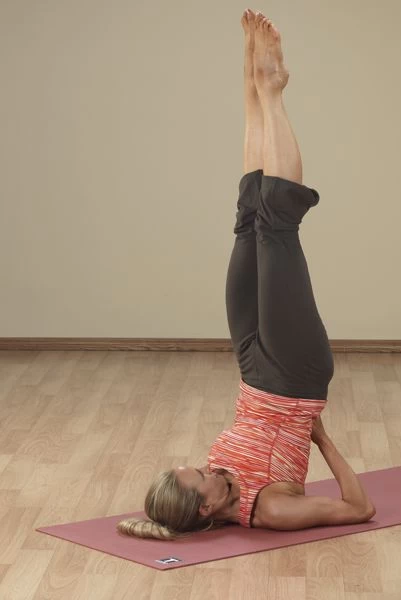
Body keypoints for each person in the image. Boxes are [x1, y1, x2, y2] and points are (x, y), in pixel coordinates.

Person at [117, 9, 376, 540]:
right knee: (277, 227)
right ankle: (274, 93)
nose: (207, 466)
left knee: (248, 218)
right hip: (296, 375)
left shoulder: (216, 481)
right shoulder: (269, 510)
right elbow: (359, 508)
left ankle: (254, 81)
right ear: (208, 509)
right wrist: (322, 439)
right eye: (201, 476)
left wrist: (246, 70)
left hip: (252, 369)